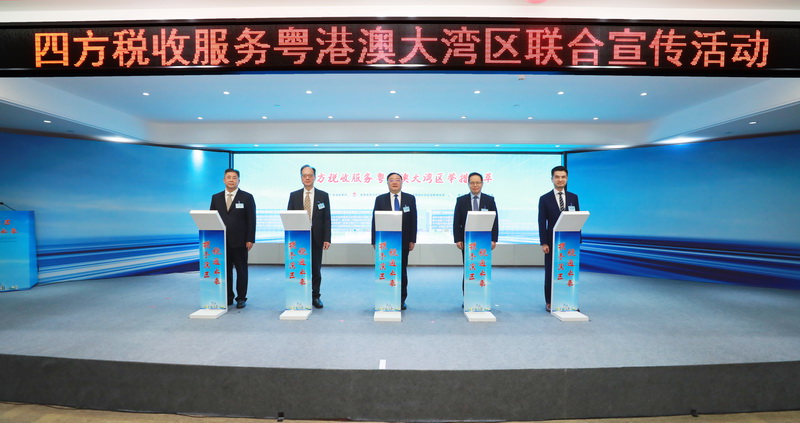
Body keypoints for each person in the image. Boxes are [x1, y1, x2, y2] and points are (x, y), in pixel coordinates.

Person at [210, 168, 256, 309]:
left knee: (241, 271)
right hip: (221, 241)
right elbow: (212, 218)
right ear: (224, 180)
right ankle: (228, 297)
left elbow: (251, 219)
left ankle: (241, 298)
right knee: (225, 270)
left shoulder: (247, 197)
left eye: (234, 177)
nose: (231, 180)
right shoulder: (216, 197)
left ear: (238, 180)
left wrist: (250, 238)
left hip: (240, 241)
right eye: (228, 177)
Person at [287, 165, 331, 309]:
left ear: (315, 177)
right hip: (299, 238)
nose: (307, 178)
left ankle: (315, 296)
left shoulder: (323, 195)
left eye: (310, 175)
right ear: (301, 177)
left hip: (317, 237)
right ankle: (300, 294)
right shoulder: (294, 195)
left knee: (316, 269)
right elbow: (289, 217)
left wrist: (327, 238)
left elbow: (327, 219)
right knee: (300, 266)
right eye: (304, 175)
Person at [371, 172, 417, 310]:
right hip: (385, 242)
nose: (395, 182)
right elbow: (374, 220)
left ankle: (401, 299)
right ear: (387, 183)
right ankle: (386, 296)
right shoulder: (380, 199)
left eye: (397, 180)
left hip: (403, 241)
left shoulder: (410, 198)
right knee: (386, 269)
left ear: (402, 182)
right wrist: (374, 240)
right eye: (391, 180)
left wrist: (412, 239)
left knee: (401, 270)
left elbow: (413, 220)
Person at [538, 165, 580, 312]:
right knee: (551, 272)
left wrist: (578, 239)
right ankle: (550, 301)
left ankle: (569, 300)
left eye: (563, 177)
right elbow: (541, 221)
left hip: (570, 241)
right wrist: (544, 242)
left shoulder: (574, 197)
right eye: (557, 177)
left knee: (569, 270)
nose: (560, 179)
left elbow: (577, 219)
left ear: (567, 179)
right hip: (552, 241)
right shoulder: (544, 198)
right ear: (552, 179)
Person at [453, 172, 498, 294]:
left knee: (482, 268)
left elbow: (495, 221)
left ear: (482, 184)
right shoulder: (461, 200)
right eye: (472, 183)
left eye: (478, 182)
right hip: (467, 241)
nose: (475, 185)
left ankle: (482, 296)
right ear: (468, 184)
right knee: (469, 268)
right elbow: (456, 221)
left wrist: (494, 239)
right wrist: (458, 239)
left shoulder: (489, 200)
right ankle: (467, 297)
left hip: (484, 241)